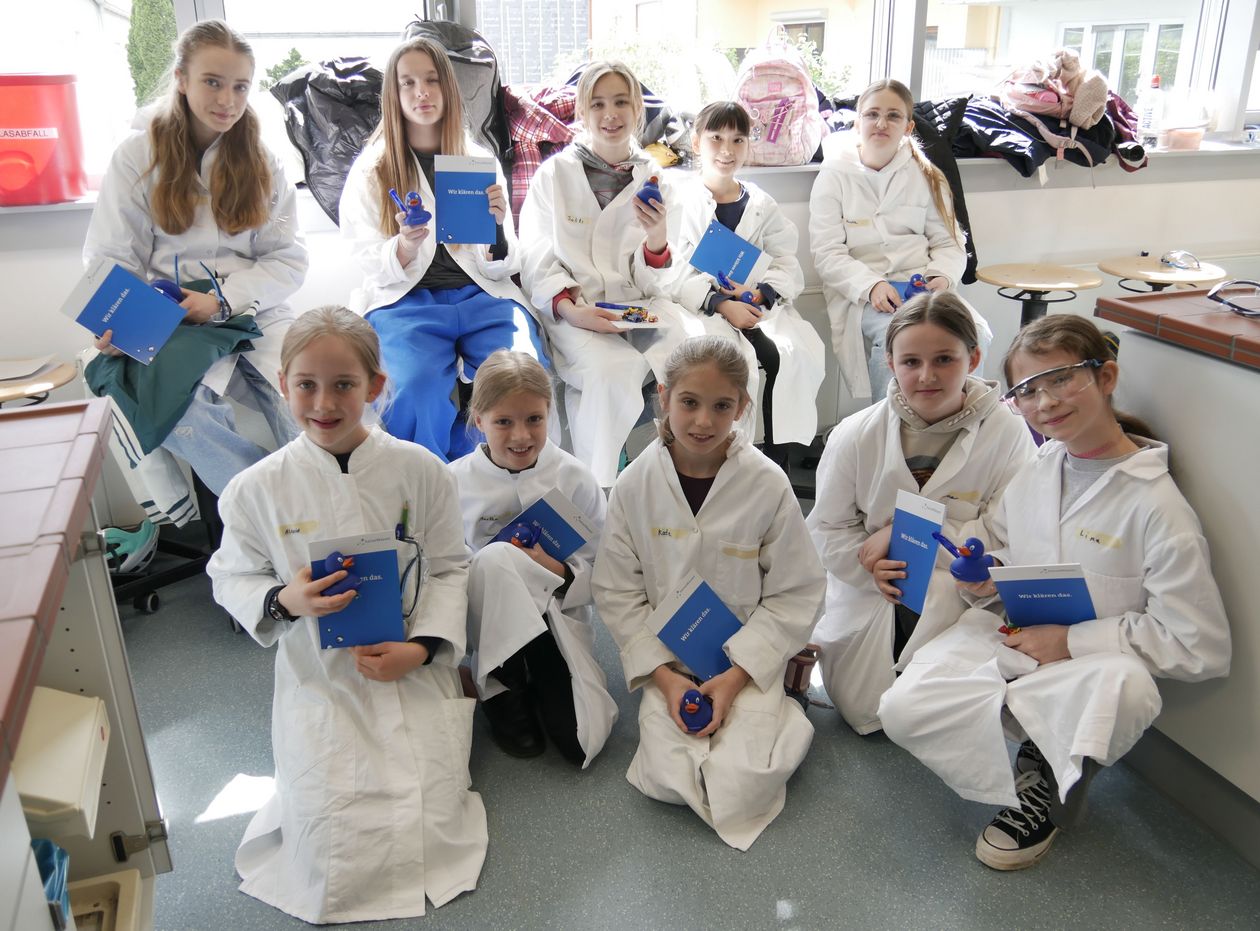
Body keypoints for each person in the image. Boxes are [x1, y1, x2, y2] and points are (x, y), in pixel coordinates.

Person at [878, 314, 1231, 871]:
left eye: (1061, 379)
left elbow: (1199, 644)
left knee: (1128, 688)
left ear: (1106, 376)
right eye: (1026, 390)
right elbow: (1010, 548)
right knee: (902, 709)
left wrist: (1071, 642)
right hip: (1014, 637)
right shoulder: (1041, 467)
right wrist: (986, 573)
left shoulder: (1156, 505)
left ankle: (1046, 783)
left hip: (1090, 665)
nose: (1044, 402)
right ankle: (1035, 750)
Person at [206, 306, 486, 922]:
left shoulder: (421, 471)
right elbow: (230, 575)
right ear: (283, 385)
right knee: (326, 844)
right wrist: (285, 600)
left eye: (344, 385)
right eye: (306, 384)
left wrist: (423, 649)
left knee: (429, 826)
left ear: (375, 386)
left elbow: (449, 567)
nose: (324, 403)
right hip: (320, 675)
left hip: (410, 665)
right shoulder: (256, 489)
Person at [592, 336, 825, 850]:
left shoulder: (766, 484)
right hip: (669, 659)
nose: (703, 421)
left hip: (744, 656)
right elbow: (617, 591)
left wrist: (737, 675)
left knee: (742, 782)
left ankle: (786, 704)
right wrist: (666, 679)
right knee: (667, 778)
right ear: (663, 398)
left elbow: (795, 591)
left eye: (722, 406)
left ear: (742, 407)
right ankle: (749, 713)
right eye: (689, 402)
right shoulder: (634, 485)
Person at [84, 19, 307, 539]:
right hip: (168, 313)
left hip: (253, 307)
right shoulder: (137, 156)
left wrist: (223, 301)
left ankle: (319, 512)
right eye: (212, 82)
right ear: (181, 79)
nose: (227, 100)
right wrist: (117, 324)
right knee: (181, 412)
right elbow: (110, 258)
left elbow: (287, 260)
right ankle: (271, 519)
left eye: (240, 86)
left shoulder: (265, 161)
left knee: (301, 399)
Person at [806, 293, 1035, 735]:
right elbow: (826, 529)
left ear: (974, 358)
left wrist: (903, 532)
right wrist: (869, 565)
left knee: (943, 711)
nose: (927, 376)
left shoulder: (1007, 434)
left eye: (944, 359)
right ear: (890, 363)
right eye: (911, 361)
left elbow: (1010, 530)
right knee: (864, 707)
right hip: (873, 591)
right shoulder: (855, 435)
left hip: (961, 592)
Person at [339, 36, 546, 461]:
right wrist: (403, 246)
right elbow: (364, 256)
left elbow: (502, 262)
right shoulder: (373, 169)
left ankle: (492, 475)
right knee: (413, 386)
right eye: (409, 82)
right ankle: (430, 480)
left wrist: (496, 228)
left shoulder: (476, 159)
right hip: (406, 301)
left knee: (520, 374)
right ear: (393, 94)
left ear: (448, 88)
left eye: (432, 80)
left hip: (480, 295)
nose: (422, 92)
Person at [518, 60, 695, 486]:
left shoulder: (658, 181)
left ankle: (683, 475)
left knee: (693, 360)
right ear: (582, 111)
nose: (610, 114)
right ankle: (599, 489)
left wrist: (656, 239)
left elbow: (663, 281)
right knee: (611, 371)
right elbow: (535, 257)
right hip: (574, 310)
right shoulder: (555, 175)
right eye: (597, 104)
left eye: (620, 102)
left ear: (637, 109)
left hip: (640, 305)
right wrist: (573, 311)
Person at [449, 350, 617, 766]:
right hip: (486, 623)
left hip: (555, 618)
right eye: (503, 422)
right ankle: (502, 681)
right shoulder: (452, 483)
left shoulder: (575, 478)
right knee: (495, 559)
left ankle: (541, 666)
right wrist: (500, 564)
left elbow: (608, 570)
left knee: (579, 741)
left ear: (549, 415)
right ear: (478, 420)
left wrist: (556, 571)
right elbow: (444, 569)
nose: (521, 436)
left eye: (534, 419)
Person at [809, 78, 991, 403]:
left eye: (893, 116)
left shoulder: (928, 175)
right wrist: (872, 286)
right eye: (872, 114)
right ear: (857, 122)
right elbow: (827, 253)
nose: (881, 123)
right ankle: (893, 423)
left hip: (923, 287)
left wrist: (941, 277)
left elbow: (949, 243)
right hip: (865, 292)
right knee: (897, 339)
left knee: (975, 334)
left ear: (908, 127)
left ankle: (954, 417)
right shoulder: (833, 176)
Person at [670, 100, 826, 470]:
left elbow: (786, 259)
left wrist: (761, 293)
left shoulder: (760, 203)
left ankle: (777, 459)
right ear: (697, 142)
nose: (727, 150)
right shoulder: (682, 202)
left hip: (759, 308)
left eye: (738, 140)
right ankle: (730, 463)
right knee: (730, 367)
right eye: (716, 138)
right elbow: (673, 272)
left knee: (792, 356)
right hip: (707, 312)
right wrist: (723, 304)